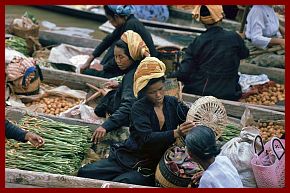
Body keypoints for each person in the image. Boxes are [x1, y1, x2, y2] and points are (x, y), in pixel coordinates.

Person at [78, 57, 194, 186]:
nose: (158, 95)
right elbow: (146, 138)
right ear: (143, 92)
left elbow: (191, 115)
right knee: (85, 172)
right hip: (130, 155)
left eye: (160, 89)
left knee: (120, 184)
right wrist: (176, 132)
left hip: (152, 164)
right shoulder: (139, 108)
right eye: (152, 92)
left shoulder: (172, 103)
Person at [167, 5, 249, 101]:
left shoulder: (198, 42)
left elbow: (183, 72)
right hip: (229, 93)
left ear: (202, 21)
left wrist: (167, 77)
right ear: (221, 17)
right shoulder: (234, 37)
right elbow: (245, 54)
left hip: (201, 92)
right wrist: (240, 39)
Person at [92, 30, 150, 144]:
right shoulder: (142, 67)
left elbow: (128, 106)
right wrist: (120, 85)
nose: (118, 61)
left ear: (132, 56)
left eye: (121, 57)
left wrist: (105, 126)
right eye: (115, 57)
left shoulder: (131, 76)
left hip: (132, 121)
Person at [80, 5, 157, 78]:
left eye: (110, 20)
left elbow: (124, 54)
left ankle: (105, 71)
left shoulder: (131, 25)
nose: (111, 23)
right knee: (115, 42)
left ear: (116, 17)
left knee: (88, 72)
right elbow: (108, 40)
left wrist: (104, 67)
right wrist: (89, 60)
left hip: (142, 66)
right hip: (135, 62)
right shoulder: (127, 21)